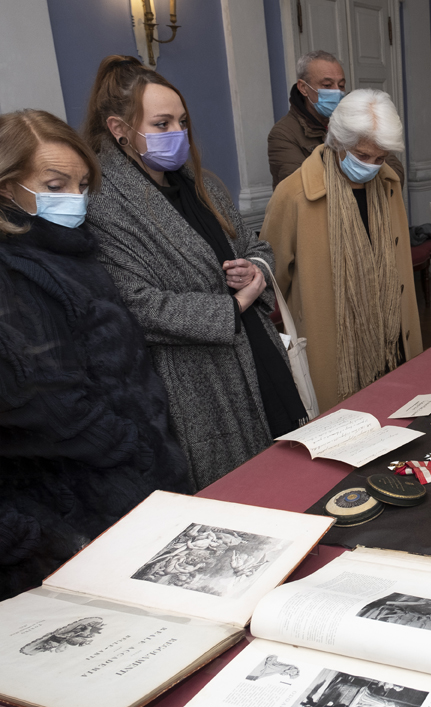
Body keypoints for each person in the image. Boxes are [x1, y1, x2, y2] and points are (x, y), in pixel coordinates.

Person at [83, 55, 307, 491]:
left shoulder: (199, 182)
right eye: (162, 124)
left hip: (257, 351)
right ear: (119, 129)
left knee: (288, 470)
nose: (178, 134)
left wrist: (256, 272)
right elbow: (134, 304)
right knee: (238, 490)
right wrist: (229, 306)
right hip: (195, 377)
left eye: (182, 122)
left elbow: (255, 244)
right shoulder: (105, 201)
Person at [0, 109, 189, 600]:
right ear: (6, 186)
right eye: (55, 183)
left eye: (82, 184)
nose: (74, 199)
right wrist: (139, 449)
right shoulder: (12, 271)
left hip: (121, 481)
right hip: (85, 499)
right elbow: (52, 406)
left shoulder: (64, 249)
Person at [262, 88, 423, 412]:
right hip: (331, 345)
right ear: (337, 141)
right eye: (362, 155)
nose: (372, 166)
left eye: (380, 158)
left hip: (393, 344)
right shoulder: (293, 193)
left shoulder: (388, 185)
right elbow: (271, 275)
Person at [268, 50, 404, 189]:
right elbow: (299, 189)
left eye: (341, 85)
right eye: (327, 85)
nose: (337, 92)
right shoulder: (283, 133)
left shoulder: (358, 116)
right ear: (303, 88)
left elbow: (395, 175)